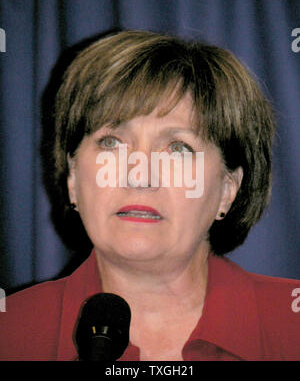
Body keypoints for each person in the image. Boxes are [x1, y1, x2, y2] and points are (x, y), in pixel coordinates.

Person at [0, 30, 299, 361]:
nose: (138, 175)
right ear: (72, 178)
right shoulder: (9, 332)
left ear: (227, 190)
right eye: (111, 142)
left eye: (177, 148)